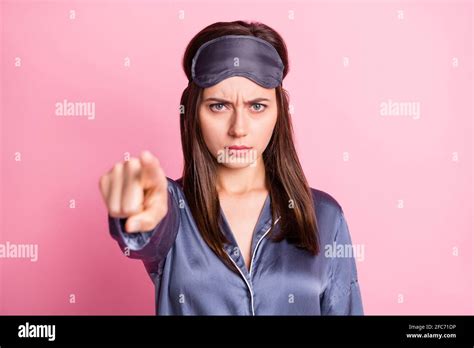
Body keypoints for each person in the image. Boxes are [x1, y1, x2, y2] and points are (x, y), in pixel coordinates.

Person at [99, 20, 364, 315]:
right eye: (218, 106)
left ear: (279, 113)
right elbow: (147, 233)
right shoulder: (173, 209)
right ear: (192, 113)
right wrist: (137, 211)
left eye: (257, 106)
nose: (239, 129)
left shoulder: (325, 216)